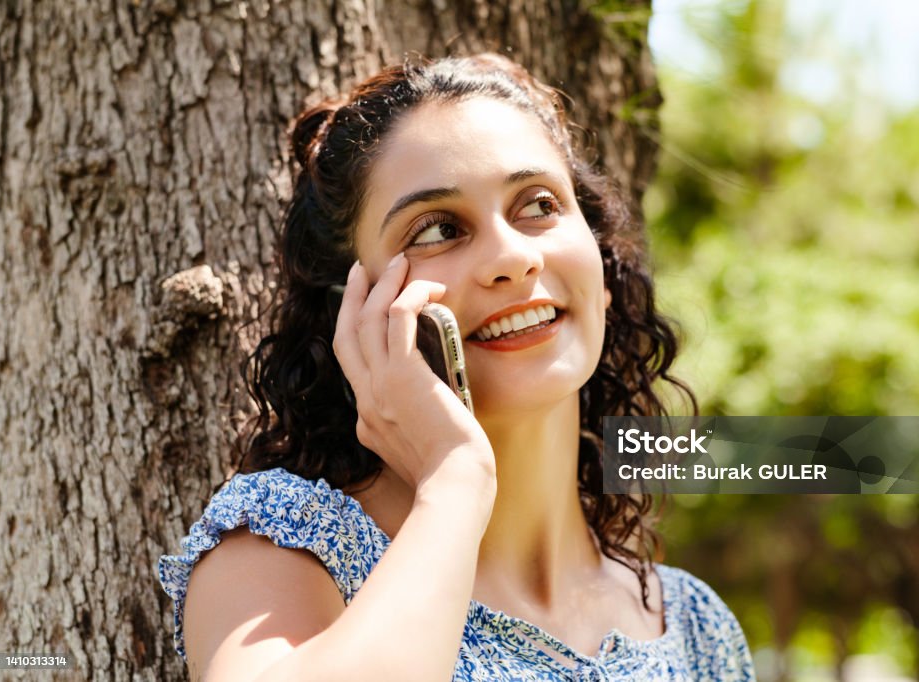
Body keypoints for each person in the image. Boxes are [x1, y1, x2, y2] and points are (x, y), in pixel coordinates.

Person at [158, 53, 755, 681]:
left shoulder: (694, 626)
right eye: (438, 228)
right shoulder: (280, 547)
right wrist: (455, 482)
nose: (512, 256)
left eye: (540, 205)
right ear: (356, 309)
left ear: (601, 265)